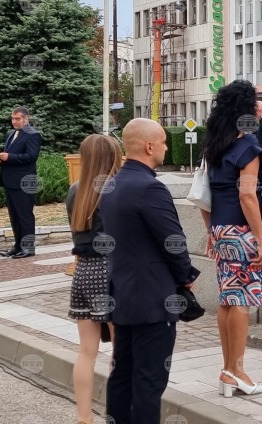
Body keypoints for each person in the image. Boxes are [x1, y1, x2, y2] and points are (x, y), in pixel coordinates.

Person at [99, 118, 200, 424]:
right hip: (153, 300)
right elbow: (173, 242)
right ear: (149, 146)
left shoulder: (111, 185)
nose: (166, 147)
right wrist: (186, 277)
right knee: (148, 383)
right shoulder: (150, 188)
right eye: (164, 142)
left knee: (121, 376)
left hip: (122, 295)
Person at [202, 80, 262, 398]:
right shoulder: (249, 147)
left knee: (227, 299)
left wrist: (210, 232)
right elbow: (247, 195)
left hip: (220, 227)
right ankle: (236, 371)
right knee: (241, 301)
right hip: (242, 230)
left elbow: (204, 195)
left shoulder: (215, 145)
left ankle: (228, 369)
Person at [66, 134, 121, 424]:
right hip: (110, 270)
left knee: (87, 351)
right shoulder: (114, 189)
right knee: (120, 351)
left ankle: (84, 417)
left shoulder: (75, 190)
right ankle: (116, 413)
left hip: (83, 271)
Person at [0, 106, 42, 258]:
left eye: (17, 119)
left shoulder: (33, 134)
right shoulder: (12, 133)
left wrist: (10, 157)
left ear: (26, 119)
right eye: (12, 118)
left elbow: (31, 156)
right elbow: (12, 156)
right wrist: (1, 160)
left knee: (25, 215)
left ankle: (28, 248)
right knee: (14, 215)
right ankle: (18, 245)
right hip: (10, 181)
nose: (14, 121)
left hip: (24, 182)